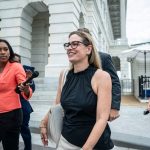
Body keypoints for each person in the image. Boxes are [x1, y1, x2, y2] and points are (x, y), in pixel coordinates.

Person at [40, 31, 114, 149]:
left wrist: (87, 147)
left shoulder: (102, 77)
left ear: (88, 49)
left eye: (75, 44)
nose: (69, 48)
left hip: (94, 146)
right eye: (68, 45)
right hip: (65, 142)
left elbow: (102, 118)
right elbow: (57, 104)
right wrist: (44, 122)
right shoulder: (64, 74)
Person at [77, 28, 121, 121]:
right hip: (79, 106)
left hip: (98, 105)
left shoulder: (104, 58)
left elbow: (115, 82)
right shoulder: (76, 59)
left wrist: (114, 107)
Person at [0, 39, 32, 150]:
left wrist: (26, 89)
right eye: (0, 50)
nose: (3, 52)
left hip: (11, 116)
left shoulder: (16, 67)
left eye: (5, 49)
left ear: (10, 51)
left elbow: (24, 89)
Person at [14, 53, 35, 150]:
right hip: (9, 109)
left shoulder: (25, 74)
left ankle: (28, 148)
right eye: (13, 61)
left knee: (24, 130)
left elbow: (32, 89)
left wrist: (28, 80)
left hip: (23, 108)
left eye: (17, 61)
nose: (15, 63)